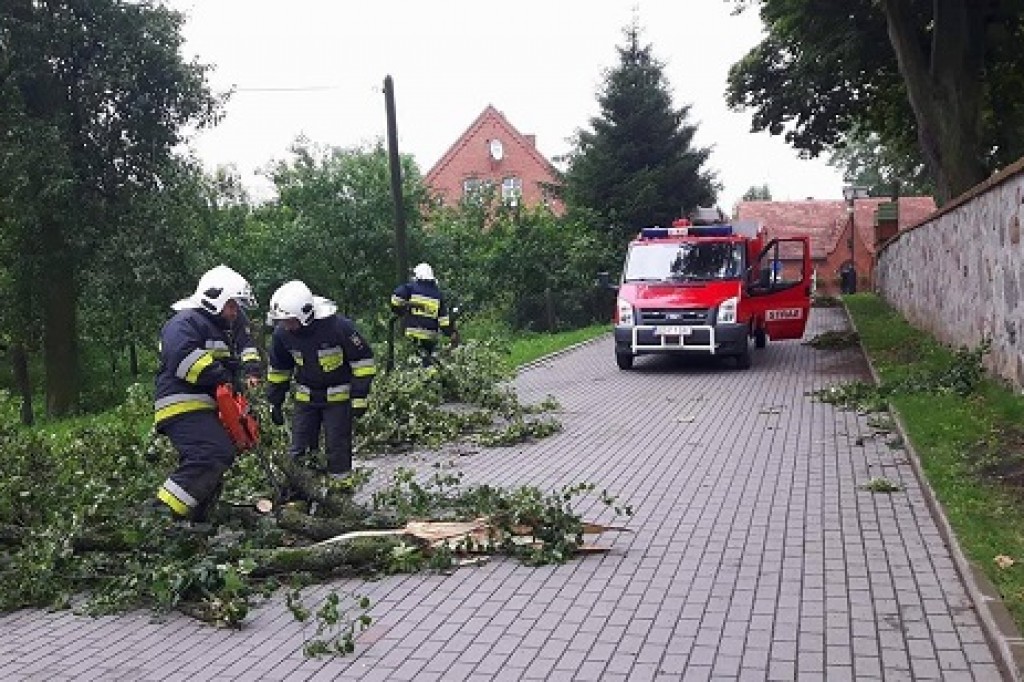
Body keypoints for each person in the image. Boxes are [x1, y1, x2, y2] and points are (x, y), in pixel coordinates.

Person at [154, 264, 262, 522]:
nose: (235, 312)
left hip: (205, 405)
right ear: (213, 298)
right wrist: (226, 377)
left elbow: (238, 358)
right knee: (212, 453)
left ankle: (195, 520)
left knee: (220, 454)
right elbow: (184, 359)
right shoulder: (184, 322)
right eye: (231, 305)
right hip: (182, 404)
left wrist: (242, 381)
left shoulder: (222, 327)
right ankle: (160, 517)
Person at [265, 280, 376, 479]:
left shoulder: (338, 327)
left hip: (338, 399)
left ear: (305, 315)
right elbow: (279, 370)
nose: (287, 326)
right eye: (283, 321)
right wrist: (275, 402)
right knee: (300, 448)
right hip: (306, 399)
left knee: (337, 447)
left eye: (290, 320)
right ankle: (304, 487)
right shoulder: (282, 334)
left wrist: (359, 397)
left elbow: (363, 362)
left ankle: (340, 487)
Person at [390, 262, 457, 366]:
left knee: (413, 365)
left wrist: (404, 307)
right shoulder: (437, 295)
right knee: (427, 365)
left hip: (412, 337)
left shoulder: (411, 288)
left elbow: (395, 299)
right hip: (430, 339)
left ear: (417, 275)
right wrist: (452, 333)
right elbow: (444, 322)